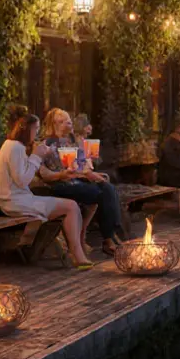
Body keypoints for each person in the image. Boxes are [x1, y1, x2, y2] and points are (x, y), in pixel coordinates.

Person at [0, 112, 95, 269]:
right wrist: (36, 156)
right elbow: (22, 181)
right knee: (71, 206)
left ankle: (76, 253)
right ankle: (77, 255)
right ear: (25, 129)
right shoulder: (14, 148)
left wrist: (38, 156)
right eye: (35, 129)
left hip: (20, 198)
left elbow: (22, 176)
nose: (36, 133)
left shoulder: (16, 147)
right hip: (13, 202)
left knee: (72, 205)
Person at [41, 108, 126, 257]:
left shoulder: (70, 141)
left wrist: (90, 171)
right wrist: (82, 174)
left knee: (108, 187)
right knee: (99, 193)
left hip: (76, 182)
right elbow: (46, 173)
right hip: (60, 186)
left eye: (68, 119)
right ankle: (109, 237)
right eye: (62, 121)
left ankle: (109, 237)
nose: (68, 123)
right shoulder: (48, 144)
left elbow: (80, 165)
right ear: (53, 125)